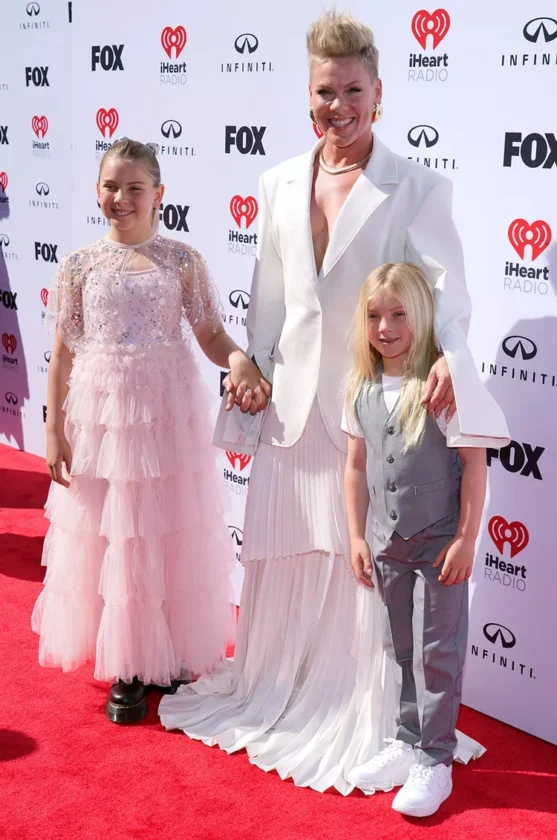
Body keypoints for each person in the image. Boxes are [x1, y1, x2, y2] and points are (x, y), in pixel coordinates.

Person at [159, 11, 508, 792]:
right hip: (290, 405)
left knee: (364, 564)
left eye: (352, 90)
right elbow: (271, 296)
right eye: (324, 91)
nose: (337, 105)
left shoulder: (418, 185)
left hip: (371, 410)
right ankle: (278, 685)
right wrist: (249, 370)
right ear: (306, 95)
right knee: (294, 551)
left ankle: (384, 719)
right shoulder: (277, 180)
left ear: (377, 93)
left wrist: (449, 353)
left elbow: (446, 295)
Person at [32, 138, 268, 723]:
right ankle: (129, 665)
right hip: (104, 418)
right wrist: (55, 433)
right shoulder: (79, 266)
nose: (122, 197)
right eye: (111, 186)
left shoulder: (182, 261)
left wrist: (238, 359)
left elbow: (210, 334)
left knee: (165, 530)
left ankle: (165, 652)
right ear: (97, 192)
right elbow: (61, 357)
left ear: (159, 195)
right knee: (117, 534)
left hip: (167, 416)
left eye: (135, 187)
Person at [343, 263, 492, 816]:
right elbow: (356, 468)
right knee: (399, 648)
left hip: (438, 545)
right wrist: (357, 535)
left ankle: (436, 758)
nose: (386, 326)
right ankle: (407, 741)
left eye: (399, 313)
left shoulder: (444, 384)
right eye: (375, 315)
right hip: (386, 545)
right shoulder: (359, 385)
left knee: (438, 652)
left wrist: (466, 538)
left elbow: (475, 467)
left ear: (422, 315)